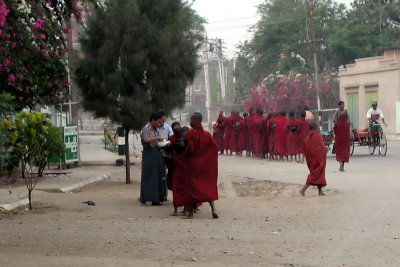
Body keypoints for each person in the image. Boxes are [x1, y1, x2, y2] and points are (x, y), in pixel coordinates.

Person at [183, 112, 219, 219]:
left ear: (195, 121)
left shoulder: (190, 133)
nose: (190, 122)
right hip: (205, 166)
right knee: (207, 188)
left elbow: (190, 149)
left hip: (193, 165)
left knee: (191, 188)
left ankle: (190, 213)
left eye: (191, 119)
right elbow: (215, 148)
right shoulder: (207, 135)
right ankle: (213, 209)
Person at [140, 113, 165, 205]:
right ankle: (145, 197)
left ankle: (156, 198)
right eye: (158, 122)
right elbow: (146, 140)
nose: (159, 124)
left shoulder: (155, 130)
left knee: (156, 176)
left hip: (156, 152)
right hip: (149, 153)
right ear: (153, 121)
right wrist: (157, 138)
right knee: (148, 175)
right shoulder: (146, 129)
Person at [299, 121, 327, 197]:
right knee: (316, 174)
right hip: (317, 159)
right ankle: (303, 190)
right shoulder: (318, 136)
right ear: (316, 128)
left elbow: (305, 149)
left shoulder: (307, 138)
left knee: (317, 174)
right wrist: (325, 150)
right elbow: (321, 148)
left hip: (311, 160)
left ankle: (320, 191)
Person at [168, 123, 187, 216]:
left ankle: (176, 210)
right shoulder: (186, 141)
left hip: (176, 167)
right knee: (185, 189)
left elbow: (168, 149)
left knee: (176, 189)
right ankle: (187, 209)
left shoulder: (173, 140)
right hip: (183, 168)